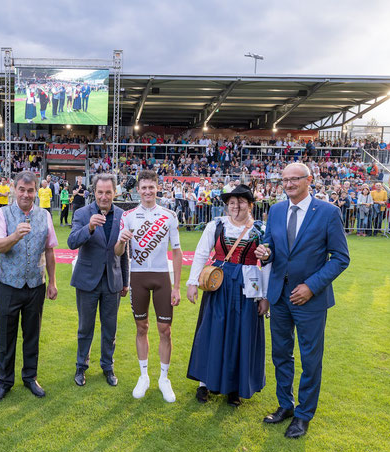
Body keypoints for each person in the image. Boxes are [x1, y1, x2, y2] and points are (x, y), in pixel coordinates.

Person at [255, 162, 349, 438]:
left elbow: (341, 258)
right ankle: (285, 405)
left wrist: (311, 286)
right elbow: (272, 247)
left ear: (309, 180)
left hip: (310, 299)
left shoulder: (329, 213)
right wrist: (265, 253)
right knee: (281, 355)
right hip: (280, 296)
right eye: (284, 179)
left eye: (295, 179)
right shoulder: (276, 209)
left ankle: (303, 415)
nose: (289, 184)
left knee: (310, 359)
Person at [186, 184, 270, 407]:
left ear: (250, 205)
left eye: (241, 202)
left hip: (248, 286)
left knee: (242, 333)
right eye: (232, 202)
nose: (236, 206)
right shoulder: (217, 226)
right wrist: (193, 283)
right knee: (212, 330)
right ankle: (205, 382)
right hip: (219, 283)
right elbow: (201, 254)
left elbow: (269, 265)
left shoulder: (261, 230)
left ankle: (236, 387)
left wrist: (266, 296)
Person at [0, 171, 58, 404]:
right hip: (9, 284)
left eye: (30, 190)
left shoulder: (44, 215)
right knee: (6, 336)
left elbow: (49, 250)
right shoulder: (3, 213)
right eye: (22, 189)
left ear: (37, 191)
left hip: (36, 285)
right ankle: (5, 381)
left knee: (32, 335)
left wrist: (53, 282)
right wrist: (15, 235)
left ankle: (30, 377)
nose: (26, 194)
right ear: (14, 189)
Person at [114, 170, 183, 403]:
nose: (147, 191)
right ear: (138, 190)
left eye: (151, 187)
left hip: (163, 277)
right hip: (139, 278)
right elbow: (118, 252)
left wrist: (177, 287)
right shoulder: (129, 216)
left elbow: (177, 251)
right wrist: (121, 242)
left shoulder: (169, 215)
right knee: (141, 328)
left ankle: (164, 378)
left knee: (165, 330)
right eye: (143, 187)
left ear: (157, 188)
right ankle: (144, 376)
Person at [68, 174, 129, 387]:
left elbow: (124, 251)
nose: (104, 196)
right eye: (100, 192)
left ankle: (107, 367)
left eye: (108, 192)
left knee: (110, 328)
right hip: (87, 281)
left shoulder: (122, 215)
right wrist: (89, 228)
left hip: (113, 281)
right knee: (85, 327)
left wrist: (125, 281)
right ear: (94, 192)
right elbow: (71, 242)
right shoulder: (83, 213)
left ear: (115, 193)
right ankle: (80, 366)